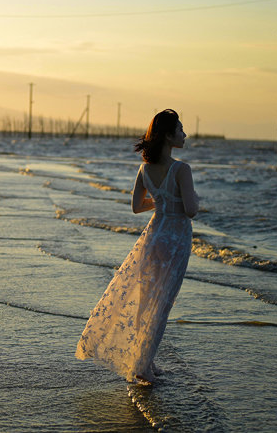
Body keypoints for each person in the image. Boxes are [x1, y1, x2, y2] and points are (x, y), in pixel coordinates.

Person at [75, 108, 198, 384]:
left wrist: (162, 201)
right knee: (162, 302)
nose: (184, 134)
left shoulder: (144, 169)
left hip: (153, 236)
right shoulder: (182, 169)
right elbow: (190, 210)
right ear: (168, 136)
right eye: (180, 129)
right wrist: (193, 200)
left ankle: (146, 360)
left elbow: (136, 206)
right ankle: (143, 366)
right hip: (176, 239)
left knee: (145, 300)